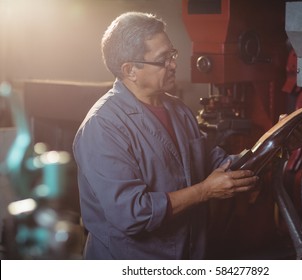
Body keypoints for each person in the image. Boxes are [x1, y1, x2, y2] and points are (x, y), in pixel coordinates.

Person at [73, 11, 259, 260]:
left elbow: (211, 162)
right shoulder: (103, 127)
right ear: (130, 70)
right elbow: (132, 214)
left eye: (173, 55)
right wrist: (204, 191)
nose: (174, 64)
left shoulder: (178, 110)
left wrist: (273, 147)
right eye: (163, 59)